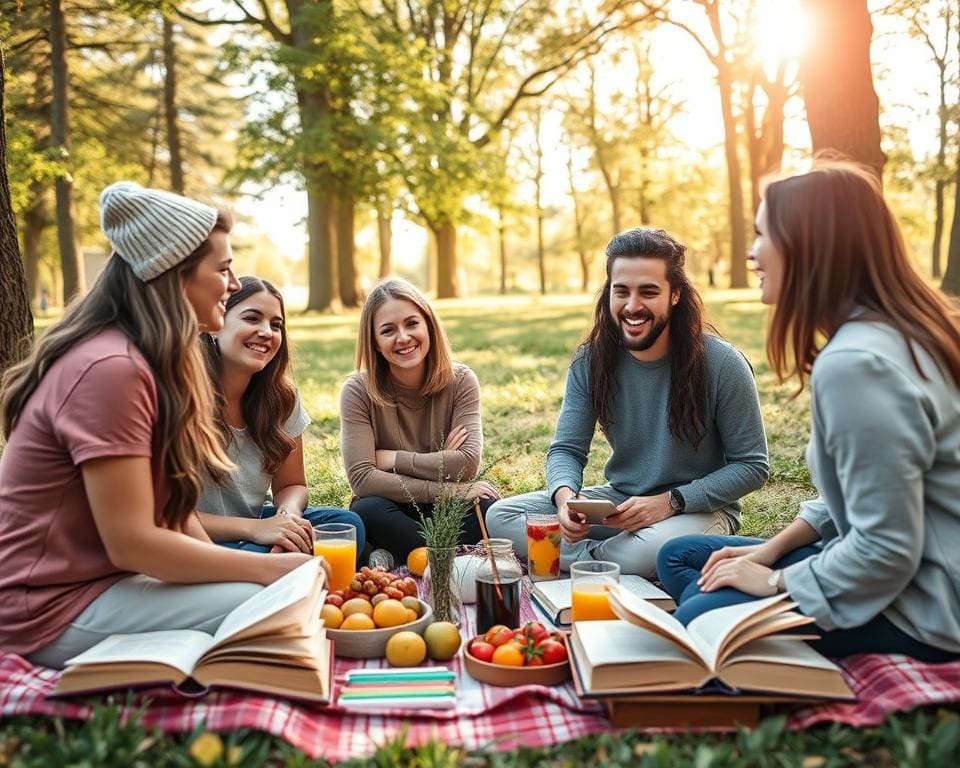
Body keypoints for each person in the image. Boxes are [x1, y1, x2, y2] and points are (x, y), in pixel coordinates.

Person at [0, 182, 315, 669]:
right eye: (223, 269)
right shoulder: (111, 368)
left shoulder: (148, 363)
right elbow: (132, 542)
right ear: (174, 273)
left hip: (107, 584)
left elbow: (176, 515)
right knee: (285, 601)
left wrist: (255, 566)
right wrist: (266, 569)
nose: (233, 285)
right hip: (49, 608)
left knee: (288, 588)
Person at [657, 161, 960, 662]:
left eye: (762, 234)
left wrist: (775, 581)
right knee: (681, 556)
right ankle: (729, 613)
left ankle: (726, 624)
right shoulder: (897, 334)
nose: (752, 253)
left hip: (926, 604)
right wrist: (770, 549)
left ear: (809, 245)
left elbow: (886, 549)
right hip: (889, 562)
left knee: (698, 621)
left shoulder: (858, 364)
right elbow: (864, 490)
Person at [486, 228, 769, 578]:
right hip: (620, 504)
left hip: (698, 510)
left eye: (648, 292)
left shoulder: (723, 363)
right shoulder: (590, 361)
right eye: (622, 291)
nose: (633, 306)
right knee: (501, 516)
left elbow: (752, 465)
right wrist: (565, 502)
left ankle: (581, 559)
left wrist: (670, 502)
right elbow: (566, 450)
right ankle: (606, 562)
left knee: (653, 549)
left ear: (675, 294)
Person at [196, 276, 365, 556]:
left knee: (346, 525)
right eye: (252, 319)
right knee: (253, 551)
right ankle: (267, 565)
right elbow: (164, 518)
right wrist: (255, 531)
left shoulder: (281, 399)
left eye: (276, 325)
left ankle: (271, 564)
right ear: (216, 325)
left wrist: (287, 519)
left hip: (256, 527)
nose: (267, 332)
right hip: (198, 537)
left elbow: (291, 485)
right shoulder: (182, 397)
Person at [340, 278, 500, 564]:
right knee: (367, 511)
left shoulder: (461, 381)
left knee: (489, 507)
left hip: (448, 508)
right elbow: (363, 479)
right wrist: (449, 486)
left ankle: (402, 554)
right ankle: (448, 553)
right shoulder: (358, 391)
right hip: (392, 507)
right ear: (374, 342)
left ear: (428, 325)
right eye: (388, 330)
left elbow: (465, 463)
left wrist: (391, 459)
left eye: (412, 323)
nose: (403, 338)